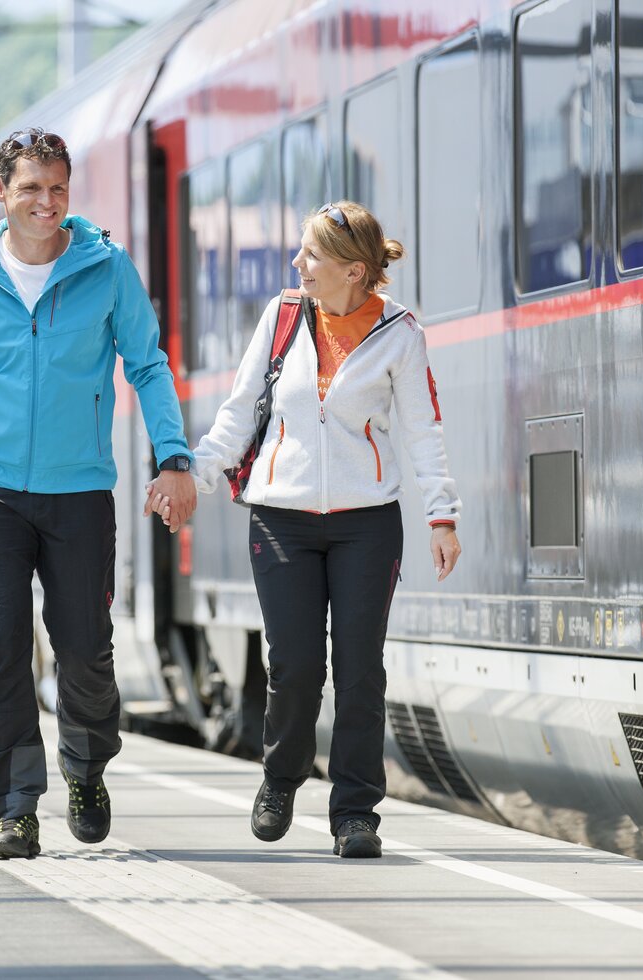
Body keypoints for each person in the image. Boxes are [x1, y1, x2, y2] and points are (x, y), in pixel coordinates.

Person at [0, 128, 195, 860]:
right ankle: (15, 806)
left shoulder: (105, 267)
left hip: (79, 489)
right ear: (1, 192)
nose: (45, 202)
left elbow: (149, 366)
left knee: (85, 649)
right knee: (1, 648)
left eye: (57, 188)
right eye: (30, 188)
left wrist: (174, 457)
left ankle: (87, 768)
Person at [148, 201, 461, 859]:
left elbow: (421, 429)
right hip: (282, 519)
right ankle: (281, 777)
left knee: (359, 670)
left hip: (366, 525)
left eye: (311, 255)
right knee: (293, 665)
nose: (298, 264)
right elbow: (238, 416)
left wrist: (441, 514)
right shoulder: (285, 317)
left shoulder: (401, 332)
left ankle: (354, 813)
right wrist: (190, 474)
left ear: (354, 270)